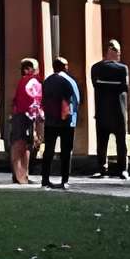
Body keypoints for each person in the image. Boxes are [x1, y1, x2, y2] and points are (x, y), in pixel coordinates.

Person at [88, 36, 130, 180]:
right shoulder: (122, 68)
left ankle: (103, 169)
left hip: (103, 111)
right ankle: (121, 170)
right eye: (118, 51)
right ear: (110, 50)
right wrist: (115, 85)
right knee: (118, 142)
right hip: (117, 110)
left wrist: (106, 84)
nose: (120, 54)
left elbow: (98, 85)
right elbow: (125, 87)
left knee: (104, 142)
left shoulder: (95, 68)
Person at [39, 51, 84, 188]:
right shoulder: (69, 80)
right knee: (66, 151)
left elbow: (43, 99)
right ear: (65, 67)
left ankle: (45, 179)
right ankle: (65, 180)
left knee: (48, 151)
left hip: (50, 121)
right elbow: (77, 100)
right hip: (66, 122)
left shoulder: (47, 80)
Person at [8, 56, 44, 186]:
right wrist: (38, 120)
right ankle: (22, 176)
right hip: (27, 117)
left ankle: (19, 175)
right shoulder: (33, 82)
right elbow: (35, 102)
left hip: (19, 116)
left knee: (18, 144)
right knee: (25, 146)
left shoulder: (22, 81)